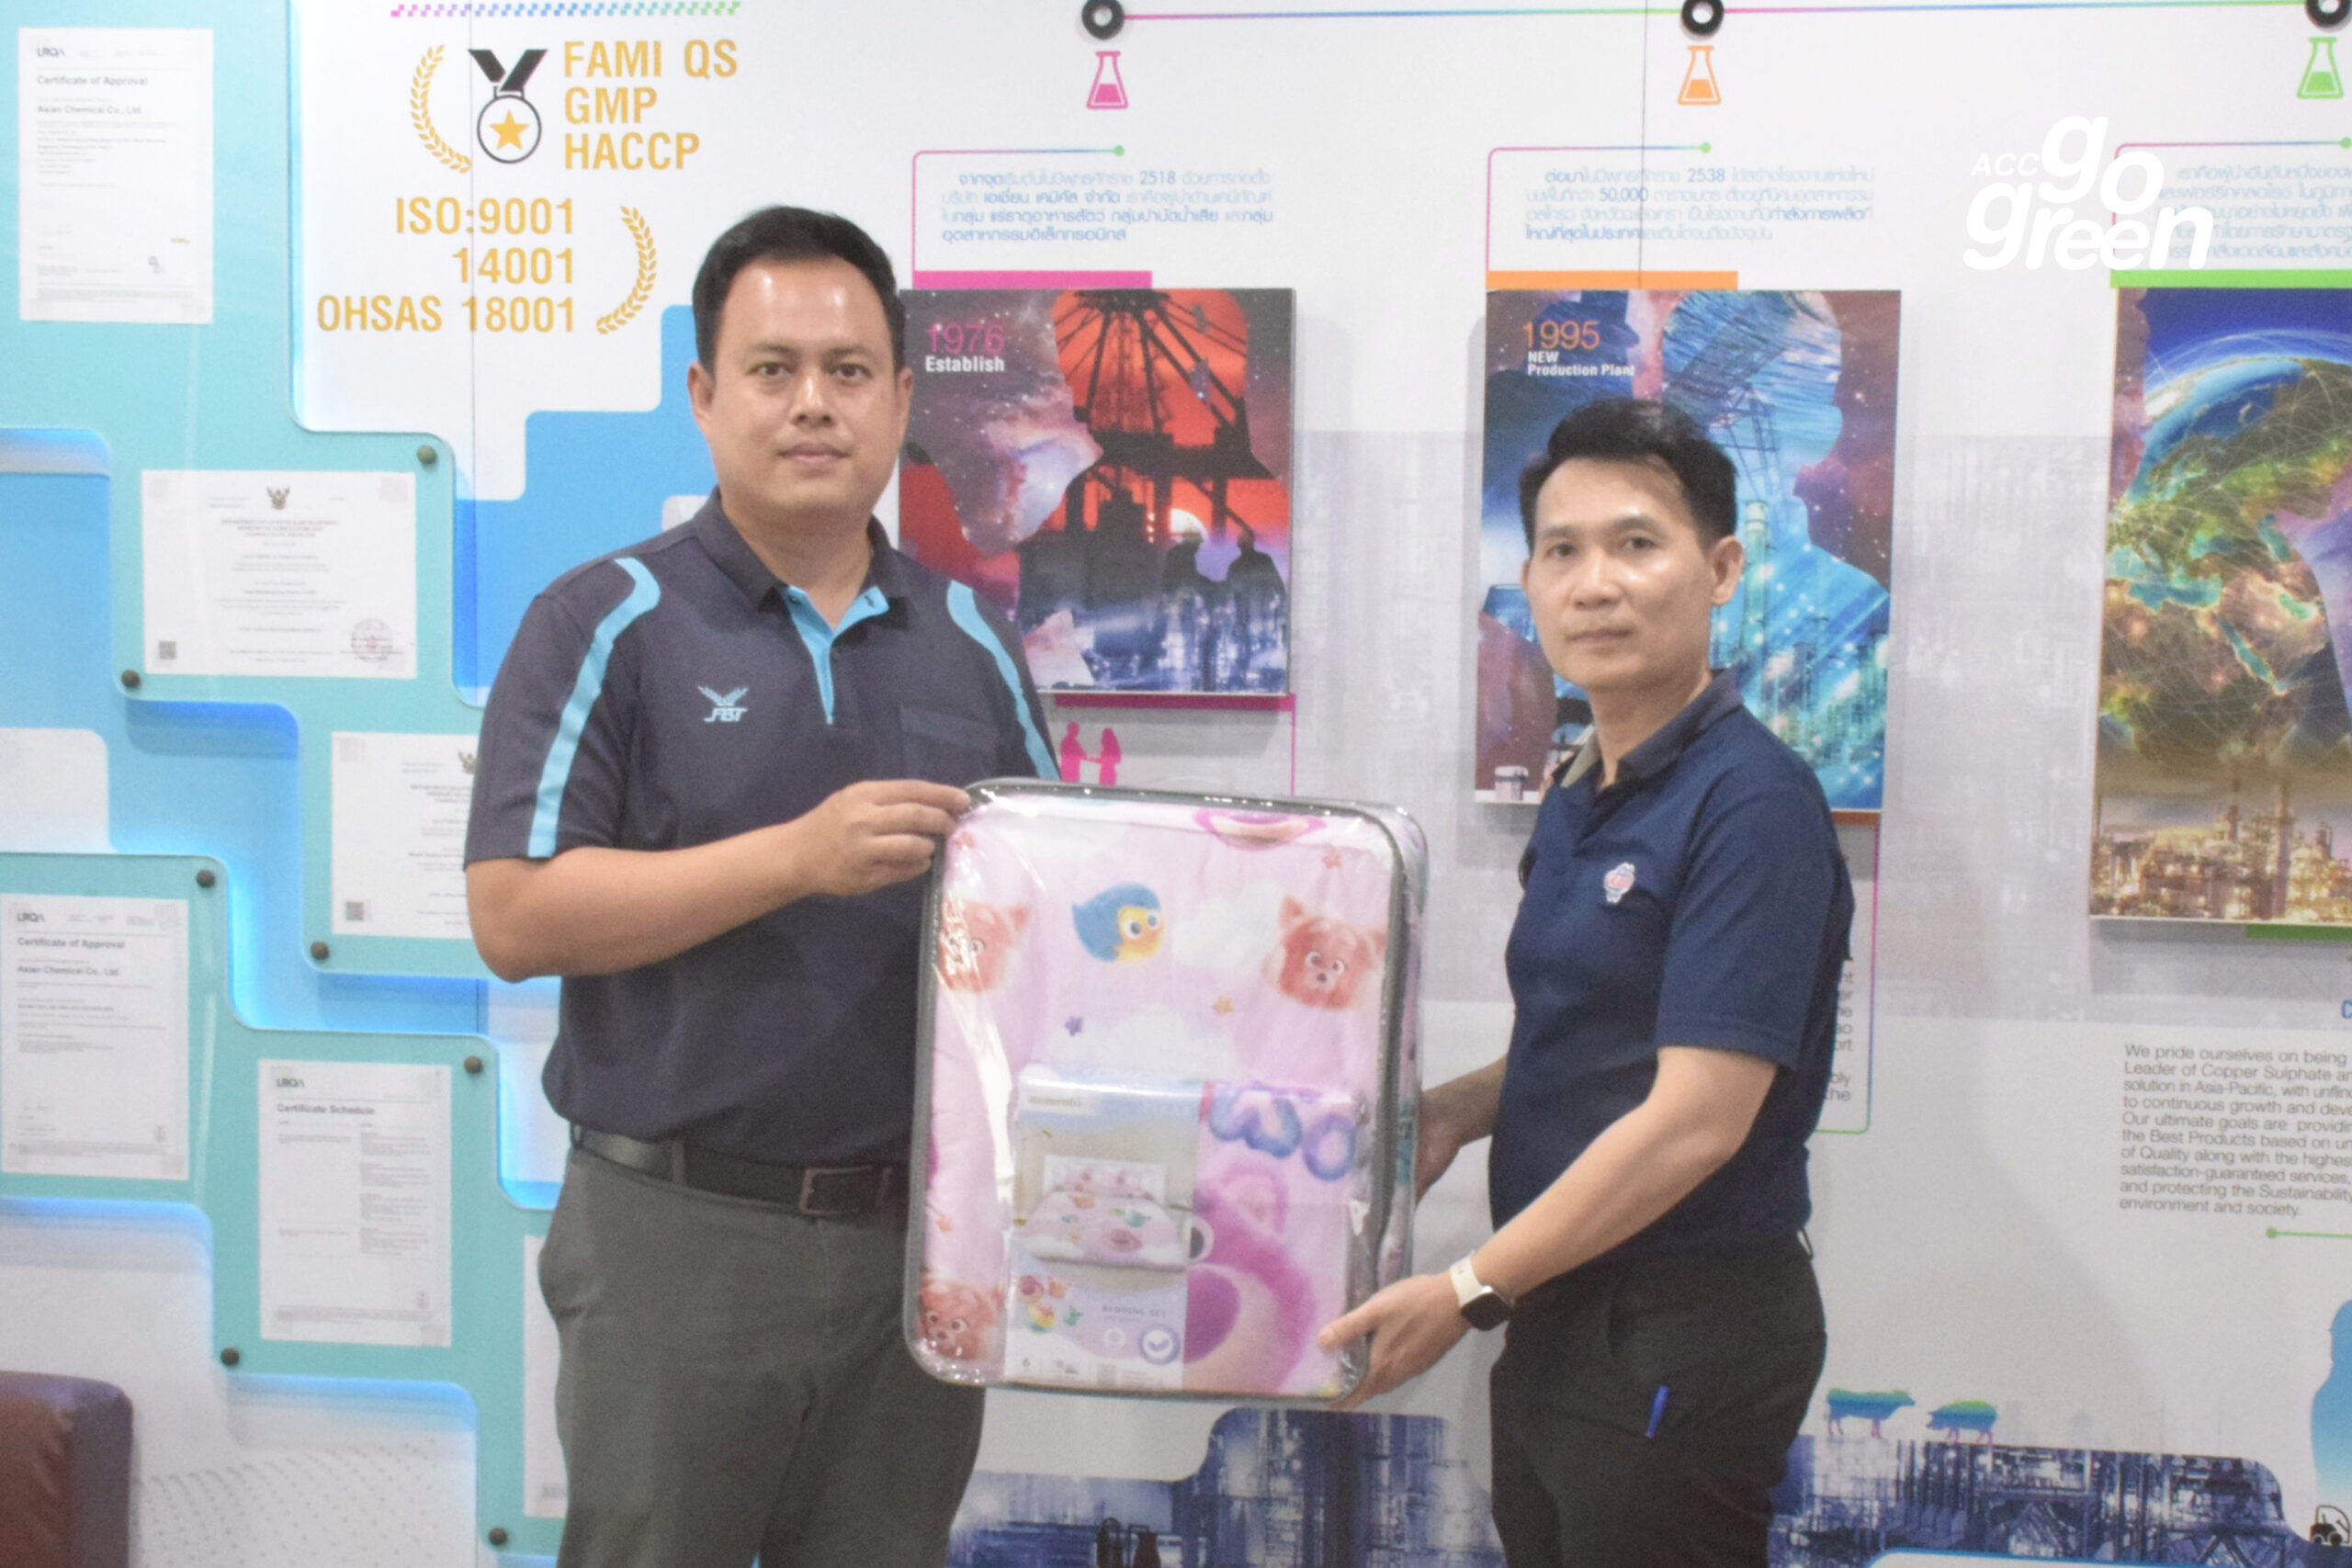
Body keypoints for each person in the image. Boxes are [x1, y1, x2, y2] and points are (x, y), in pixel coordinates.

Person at [463, 205, 1056, 1568]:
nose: (812, 405)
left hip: (914, 1238)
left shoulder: (971, 634)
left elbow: (1045, 911)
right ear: (704, 393)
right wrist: (796, 858)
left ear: (901, 398)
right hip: (678, 1235)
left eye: (849, 371)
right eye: (772, 368)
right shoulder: (602, 619)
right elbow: (514, 915)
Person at [1319, 398, 1852, 1567]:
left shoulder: (1751, 803)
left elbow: (1694, 1120)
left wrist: (1465, 1290)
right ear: (1529, 581)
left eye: (1635, 544)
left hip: (1679, 1318)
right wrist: (1453, 1112)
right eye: (1561, 551)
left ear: (1720, 570)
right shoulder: (1583, 785)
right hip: (1563, 1298)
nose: (1594, 584)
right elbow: (1601, 1034)